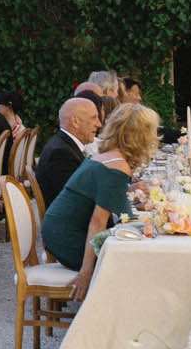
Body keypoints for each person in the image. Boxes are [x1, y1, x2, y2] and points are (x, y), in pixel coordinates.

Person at [43, 103, 161, 300]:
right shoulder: (116, 166)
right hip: (70, 240)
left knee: (140, 247)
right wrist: (85, 272)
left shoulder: (107, 157)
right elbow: (97, 222)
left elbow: (100, 196)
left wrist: (129, 191)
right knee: (142, 259)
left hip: (57, 231)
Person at [34, 97, 104, 206]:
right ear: (75, 122)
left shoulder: (63, 145)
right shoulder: (61, 154)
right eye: (94, 118)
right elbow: (79, 202)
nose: (99, 124)